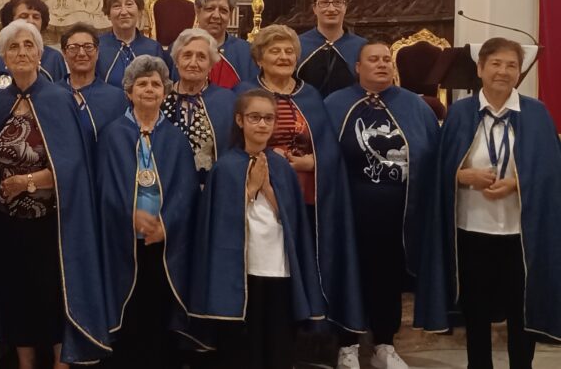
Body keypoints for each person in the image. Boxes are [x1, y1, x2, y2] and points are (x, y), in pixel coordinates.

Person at [414, 38, 561, 369]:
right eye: (495, 63)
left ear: (519, 72)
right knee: (476, 310)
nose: (503, 71)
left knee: (520, 311)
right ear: (480, 69)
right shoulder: (461, 113)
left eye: (511, 65)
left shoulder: (536, 113)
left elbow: (552, 171)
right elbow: (439, 167)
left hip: (519, 236)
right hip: (472, 229)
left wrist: (516, 183)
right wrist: (461, 176)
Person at [0, 20, 111, 367]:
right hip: (8, 222)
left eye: (28, 46)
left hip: (50, 223)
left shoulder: (58, 99)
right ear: (3, 57)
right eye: (14, 47)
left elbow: (72, 167)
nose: (21, 52)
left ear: (40, 55)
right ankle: (25, 363)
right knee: (16, 294)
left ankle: (61, 362)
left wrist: (27, 182)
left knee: (51, 295)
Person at [238, 24, 366, 336]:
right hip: (261, 199)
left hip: (307, 195)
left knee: (303, 265)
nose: (283, 56)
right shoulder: (244, 94)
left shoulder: (309, 95)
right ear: (259, 58)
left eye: (289, 51)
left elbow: (328, 148)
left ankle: (308, 330)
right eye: (275, 50)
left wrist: (314, 161)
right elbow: (234, 145)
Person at [325, 41, 440, 369]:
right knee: (350, 274)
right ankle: (346, 343)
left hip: (399, 213)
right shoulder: (336, 104)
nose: (381, 65)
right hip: (350, 211)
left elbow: (430, 154)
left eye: (387, 59)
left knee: (388, 278)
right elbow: (324, 155)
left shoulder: (414, 107)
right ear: (357, 67)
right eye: (372, 60)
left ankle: (384, 345)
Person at [192, 90, 326, 369]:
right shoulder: (226, 167)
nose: (262, 124)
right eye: (255, 117)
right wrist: (251, 189)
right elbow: (217, 222)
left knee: (277, 344)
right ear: (240, 120)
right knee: (244, 348)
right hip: (243, 269)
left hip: (277, 265)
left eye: (268, 118)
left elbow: (292, 220)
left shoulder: (281, 166)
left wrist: (266, 188)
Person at [97, 56, 202, 368]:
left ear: (165, 93)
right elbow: (103, 186)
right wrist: (128, 215)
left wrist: (165, 225)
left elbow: (186, 190)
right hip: (122, 240)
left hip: (162, 241)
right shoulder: (113, 134)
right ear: (128, 91)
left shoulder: (174, 137)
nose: (149, 88)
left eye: (156, 84)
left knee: (157, 307)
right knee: (128, 309)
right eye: (142, 83)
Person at [162, 28, 236, 182]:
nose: (193, 63)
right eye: (187, 55)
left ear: (211, 65)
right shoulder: (161, 98)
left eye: (201, 57)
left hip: (208, 188)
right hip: (165, 186)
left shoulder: (226, 100)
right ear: (176, 61)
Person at [58, 22, 128, 143]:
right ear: (64, 53)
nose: (81, 53)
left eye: (88, 47)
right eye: (73, 47)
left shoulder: (116, 98)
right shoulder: (52, 95)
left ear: (97, 52)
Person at [0, 0, 67, 92]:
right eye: (24, 16)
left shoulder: (54, 58)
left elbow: (61, 96)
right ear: (10, 20)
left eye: (36, 17)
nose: (31, 21)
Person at [297, 0, 367, 98]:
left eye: (337, 2)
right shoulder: (298, 44)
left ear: (345, 7)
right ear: (314, 8)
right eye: (324, 3)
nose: (331, 9)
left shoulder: (362, 47)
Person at [96, 0, 169, 88]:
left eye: (129, 4)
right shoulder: (97, 46)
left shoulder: (153, 48)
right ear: (108, 14)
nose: (124, 12)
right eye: (116, 6)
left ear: (139, 11)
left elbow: (161, 86)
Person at [194, 0, 258, 88]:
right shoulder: (180, 49)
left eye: (223, 10)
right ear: (197, 11)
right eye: (210, 9)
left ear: (231, 14)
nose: (216, 16)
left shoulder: (246, 52)